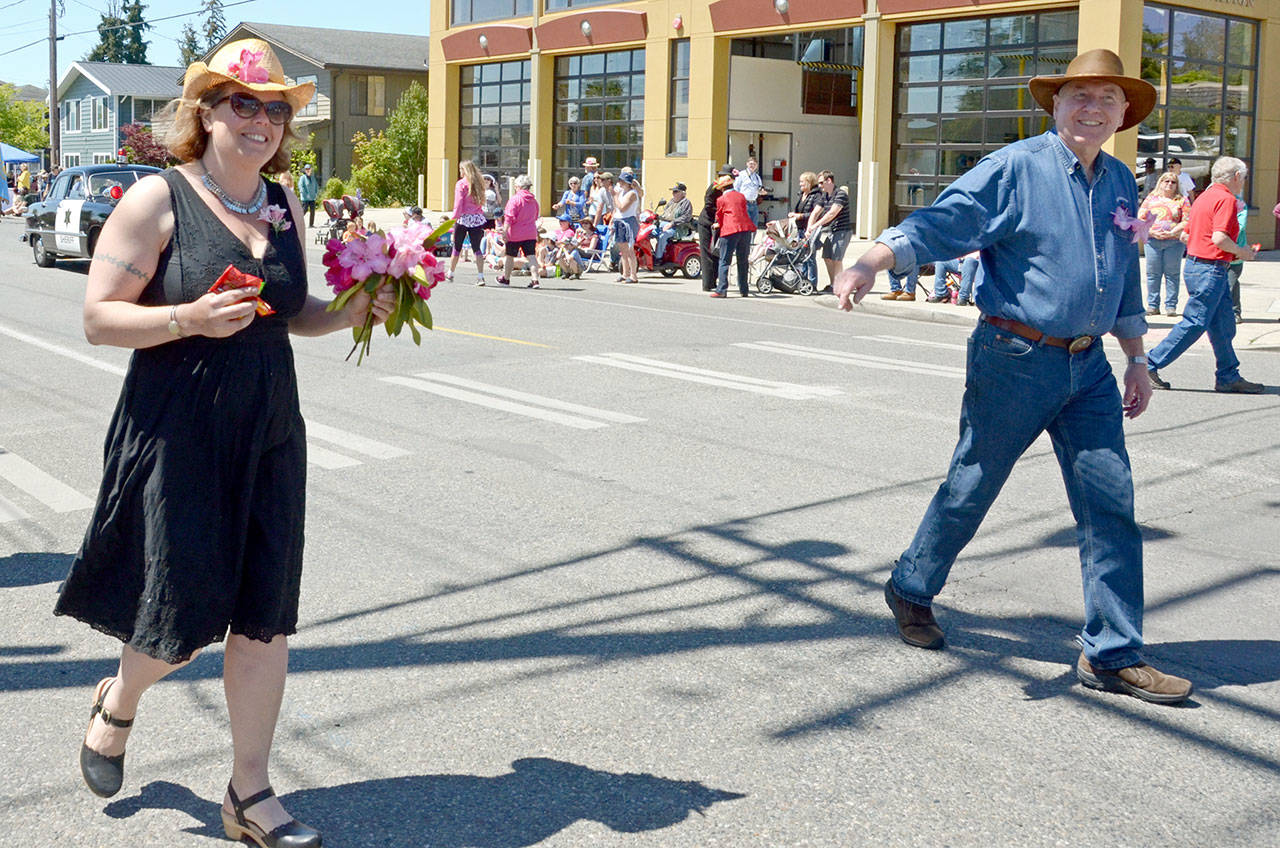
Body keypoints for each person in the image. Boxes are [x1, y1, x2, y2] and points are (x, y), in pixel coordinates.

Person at [52, 38, 396, 845]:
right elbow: (100, 319)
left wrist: (349, 313)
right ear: (203, 111)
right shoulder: (156, 200)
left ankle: (249, 792)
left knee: (264, 617)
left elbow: (296, 312)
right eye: (245, 103)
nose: (263, 121)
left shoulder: (281, 202)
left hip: (271, 429)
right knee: (178, 618)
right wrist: (185, 320)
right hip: (179, 432)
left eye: (275, 109)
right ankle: (120, 698)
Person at [832, 49, 1193, 705]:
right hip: (1016, 357)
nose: (1092, 107)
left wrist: (1137, 357)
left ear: (1122, 114)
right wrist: (875, 257)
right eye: (1079, 94)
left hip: (1091, 367)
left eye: (1107, 98)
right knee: (973, 484)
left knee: (1111, 505)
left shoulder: (1117, 181)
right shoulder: (1017, 168)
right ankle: (911, 586)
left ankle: (1112, 653)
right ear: (1055, 104)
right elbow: (947, 221)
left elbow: (1124, 272)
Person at [1147, 157, 1263, 394]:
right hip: (1210, 269)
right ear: (1236, 177)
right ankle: (1149, 363)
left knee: (1222, 325)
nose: (1244, 183)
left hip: (1198, 265)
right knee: (1195, 322)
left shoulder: (1205, 197)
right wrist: (1243, 252)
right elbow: (1220, 238)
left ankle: (1229, 376)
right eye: (1244, 178)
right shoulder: (1226, 199)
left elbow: (1184, 235)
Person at [1137, 172, 1190, 316]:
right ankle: (1153, 305)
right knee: (1153, 274)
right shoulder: (1151, 199)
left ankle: (1171, 306)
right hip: (1153, 241)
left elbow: (1187, 220)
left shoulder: (1182, 200)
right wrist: (1152, 233)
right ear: (1160, 182)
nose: (1169, 184)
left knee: (1172, 274)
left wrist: (1173, 232)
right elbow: (1140, 219)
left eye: (1173, 182)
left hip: (1174, 242)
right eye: (1166, 181)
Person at [808, 171, 852, 293]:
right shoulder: (825, 195)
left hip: (842, 230)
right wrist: (809, 228)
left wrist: (815, 225)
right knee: (827, 257)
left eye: (821, 183)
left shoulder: (840, 194)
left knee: (837, 259)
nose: (820, 186)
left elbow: (832, 213)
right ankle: (833, 284)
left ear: (829, 181)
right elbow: (815, 212)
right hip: (831, 231)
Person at [449, 159, 489, 286]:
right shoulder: (479, 183)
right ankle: (480, 276)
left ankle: (451, 272)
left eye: (461, 169)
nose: (460, 172)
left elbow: (458, 203)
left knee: (457, 246)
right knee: (477, 248)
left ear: (464, 170)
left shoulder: (461, 184)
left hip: (463, 218)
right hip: (476, 218)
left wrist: (453, 219)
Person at [712, 180, 754, 298]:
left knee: (724, 260)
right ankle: (744, 290)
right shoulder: (741, 196)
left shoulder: (721, 199)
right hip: (745, 229)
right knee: (743, 260)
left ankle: (722, 289)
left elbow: (719, 215)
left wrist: (718, 225)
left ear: (722, 189)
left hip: (730, 229)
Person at [500, 173, 541, 287]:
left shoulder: (515, 199)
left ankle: (506, 278)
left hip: (515, 233)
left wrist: (504, 232)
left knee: (510, 256)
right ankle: (535, 280)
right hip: (530, 232)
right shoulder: (534, 201)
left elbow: (509, 217)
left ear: (519, 186)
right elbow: (536, 215)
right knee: (531, 256)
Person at [698, 168, 733, 292]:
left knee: (716, 251)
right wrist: (719, 212)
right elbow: (708, 205)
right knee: (706, 252)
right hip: (707, 222)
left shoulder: (728, 189)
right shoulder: (713, 187)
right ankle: (707, 283)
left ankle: (714, 280)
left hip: (719, 223)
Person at [612, 171, 640, 284]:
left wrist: (614, 197)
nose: (619, 183)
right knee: (622, 250)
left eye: (622, 181)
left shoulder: (632, 194)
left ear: (628, 183)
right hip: (619, 221)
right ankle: (625, 273)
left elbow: (622, 208)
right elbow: (617, 209)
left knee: (629, 249)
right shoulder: (621, 192)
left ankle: (633, 275)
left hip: (629, 221)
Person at [653, 182, 693, 259]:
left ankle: (658, 258)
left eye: (676, 191)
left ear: (683, 193)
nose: (673, 194)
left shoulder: (686, 203)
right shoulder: (671, 201)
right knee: (649, 232)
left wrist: (672, 223)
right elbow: (665, 214)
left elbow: (686, 217)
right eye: (673, 192)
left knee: (662, 236)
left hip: (677, 228)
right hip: (664, 224)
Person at [1227, 193, 1247, 324]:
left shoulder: (1239, 203)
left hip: (1235, 251)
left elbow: (1240, 227)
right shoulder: (1211, 198)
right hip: (1213, 252)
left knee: (1231, 282)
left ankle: (1234, 312)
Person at [733, 157, 769, 228]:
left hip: (754, 204)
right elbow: (736, 189)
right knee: (746, 226)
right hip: (744, 203)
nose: (752, 166)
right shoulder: (741, 175)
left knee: (754, 226)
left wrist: (762, 192)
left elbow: (759, 189)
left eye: (754, 164)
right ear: (747, 164)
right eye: (751, 164)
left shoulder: (757, 177)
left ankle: (752, 239)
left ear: (757, 166)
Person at [296, 162, 318, 228]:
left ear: (311, 169)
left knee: (312, 211)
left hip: (312, 198)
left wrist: (316, 193)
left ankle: (311, 224)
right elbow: (300, 186)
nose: (308, 170)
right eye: (306, 169)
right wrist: (304, 194)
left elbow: (316, 185)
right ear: (305, 170)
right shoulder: (303, 178)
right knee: (304, 211)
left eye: (309, 169)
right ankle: (297, 223)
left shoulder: (313, 177)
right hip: (305, 198)